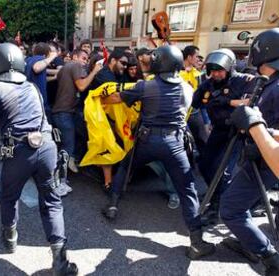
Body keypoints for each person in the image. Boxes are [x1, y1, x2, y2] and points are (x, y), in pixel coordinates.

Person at [0, 43, 78, 276]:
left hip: (18, 152)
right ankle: (60, 261)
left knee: (10, 197)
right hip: (47, 147)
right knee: (52, 201)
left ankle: (11, 238)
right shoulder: (32, 87)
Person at [101, 45, 215, 260]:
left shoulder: (146, 86)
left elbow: (116, 98)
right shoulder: (187, 88)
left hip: (147, 140)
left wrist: (100, 99)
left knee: (125, 167)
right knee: (187, 189)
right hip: (175, 143)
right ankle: (197, 241)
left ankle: (113, 205)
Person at [219, 28, 279, 275]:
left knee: (231, 209)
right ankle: (249, 239)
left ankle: (267, 255)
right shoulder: (268, 84)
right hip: (261, 158)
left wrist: (254, 127)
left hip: (265, 161)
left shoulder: (276, 89)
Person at [192, 48, 254, 224]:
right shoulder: (209, 82)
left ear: (229, 68)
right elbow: (196, 102)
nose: (216, 74)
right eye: (212, 70)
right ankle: (215, 190)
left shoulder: (243, 80)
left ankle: (215, 208)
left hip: (235, 133)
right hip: (218, 130)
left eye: (219, 70)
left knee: (223, 170)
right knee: (204, 165)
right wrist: (204, 90)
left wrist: (227, 101)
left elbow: (251, 101)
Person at [52, 49, 102, 175]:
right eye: (83, 58)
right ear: (75, 57)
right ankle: (59, 178)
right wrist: (95, 71)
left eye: (87, 59)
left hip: (63, 112)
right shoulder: (75, 65)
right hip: (64, 112)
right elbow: (81, 86)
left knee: (78, 137)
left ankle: (71, 164)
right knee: (67, 147)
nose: (85, 62)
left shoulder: (65, 67)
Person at [88, 48, 128, 193]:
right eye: (123, 63)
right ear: (113, 61)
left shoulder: (113, 74)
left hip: (105, 115)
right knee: (107, 145)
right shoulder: (104, 75)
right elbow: (111, 96)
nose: (125, 66)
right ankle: (107, 182)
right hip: (96, 116)